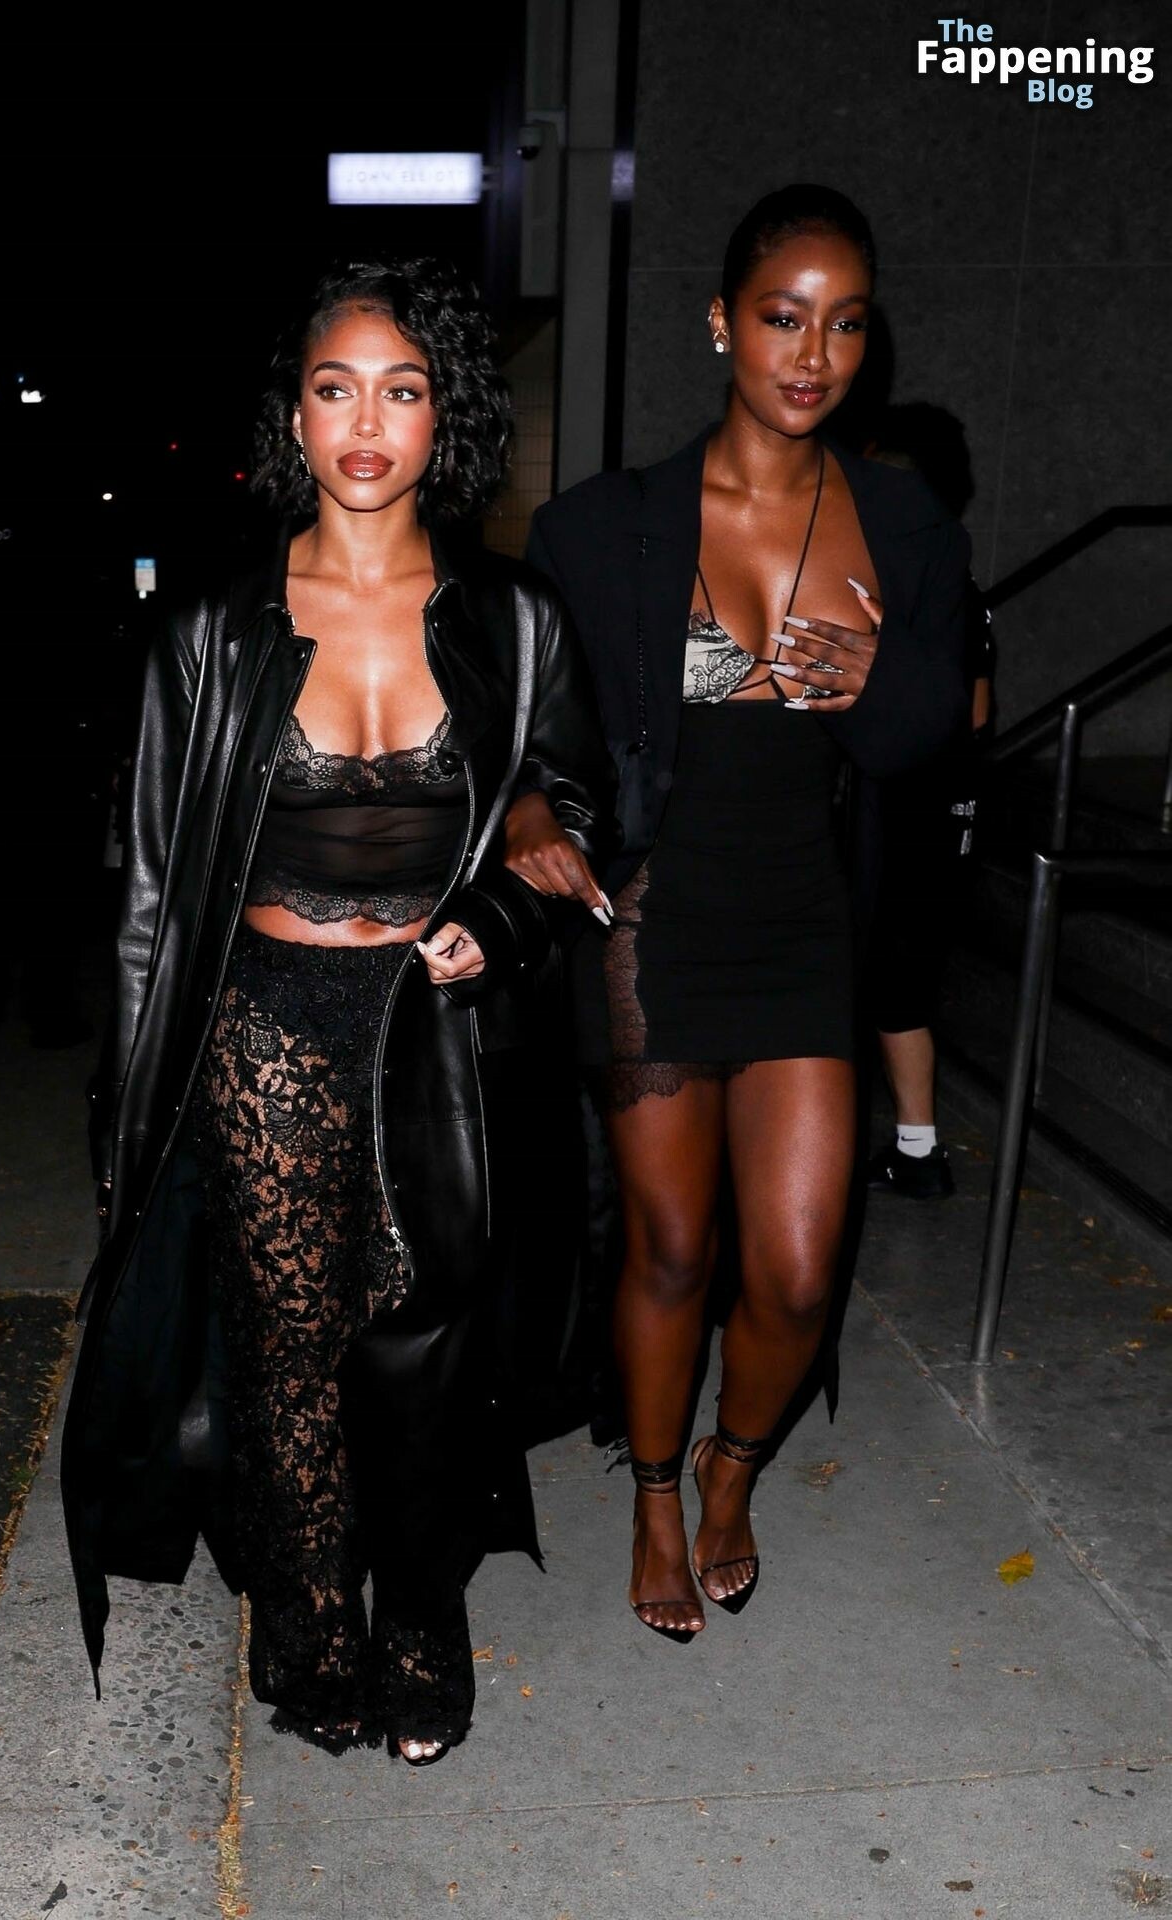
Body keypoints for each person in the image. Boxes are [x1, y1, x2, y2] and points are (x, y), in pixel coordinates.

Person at [61, 259, 615, 1764]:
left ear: (447, 416)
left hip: (436, 1032)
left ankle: (421, 1620)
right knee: (289, 1347)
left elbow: (574, 810)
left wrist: (505, 908)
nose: (366, 424)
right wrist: (126, 1112)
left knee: (426, 1343)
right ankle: (310, 1628)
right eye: (334, 388)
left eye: (402, 390)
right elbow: (148, 890)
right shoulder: (210, 628)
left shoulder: (514, 618)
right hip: (263, 1021)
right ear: (293, 416)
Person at [526, 185, 970, 1639]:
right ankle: (655, 1495)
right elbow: (530, 713)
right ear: (722, 322)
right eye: (783, 317)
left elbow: (928, 735)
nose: (811, 353)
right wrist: (527, 809)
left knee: (792, 1266)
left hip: (803, 923)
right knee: (670, 1248)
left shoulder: (898, 519)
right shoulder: (607, 527)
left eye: (844, 325)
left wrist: (868, 680)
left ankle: (733, 1466)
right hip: (650, 925)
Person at [858, 408, 996, 1199]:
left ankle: (913, 1150)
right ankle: (913, 1148)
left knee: (894, 978)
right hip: (920, 802)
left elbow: (968, 712)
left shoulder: (931, 573)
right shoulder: (939, 570)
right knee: (894, 981)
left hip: (916, 805)